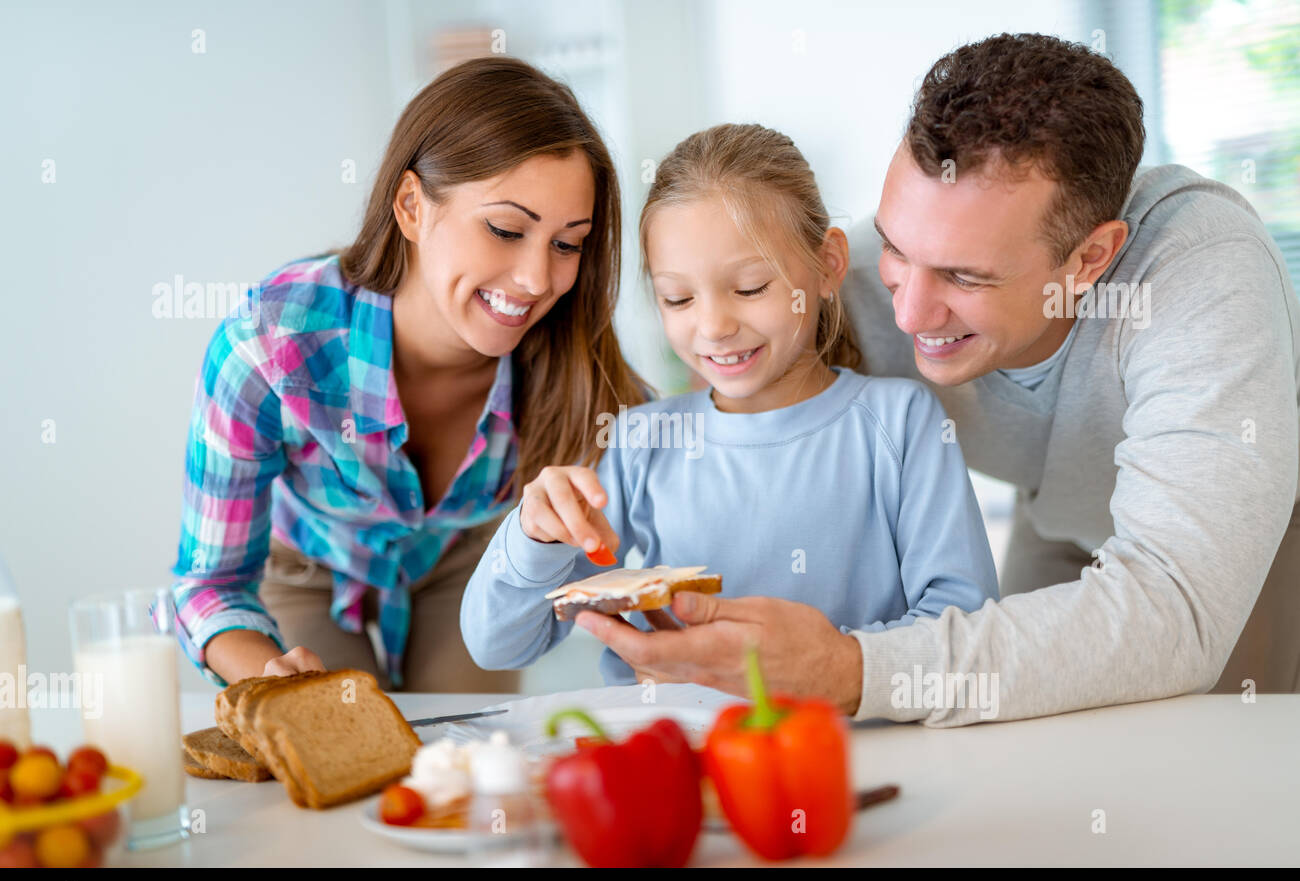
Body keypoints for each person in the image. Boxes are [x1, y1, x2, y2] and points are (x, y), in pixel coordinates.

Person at [577, 33, 1300, 725]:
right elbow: (706, 407)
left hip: (1240, 532)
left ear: (1089, 260)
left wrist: (852, 669)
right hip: (1058, 510)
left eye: (964, 275)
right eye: (896, 246)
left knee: (1224, 767)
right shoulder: (840, 281)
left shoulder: (1202, 276)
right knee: (1023, 733)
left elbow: (1174, 612)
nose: (909, 309)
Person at [168, 57, 646, 691]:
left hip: (462, 560)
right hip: (310, 565)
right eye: (506, 229)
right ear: (412, 206)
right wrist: (269, 674)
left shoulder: (578, 370)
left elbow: (682, 480)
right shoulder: (269, 343)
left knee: (461, 758)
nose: (537, 280)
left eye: (567, 243)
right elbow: (208, 584)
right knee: (347, 750)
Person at [459, 123, 999, 681]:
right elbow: (498, 647)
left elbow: (964, 628)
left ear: (828, 265)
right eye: (678, 298)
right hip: (672, 749)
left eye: (749, 288)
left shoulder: (901, 422)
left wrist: (811, 667)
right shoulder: (641, 441)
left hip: (842, 750)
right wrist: (533, 536)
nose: (713, 326)